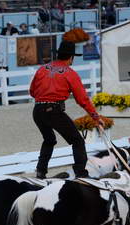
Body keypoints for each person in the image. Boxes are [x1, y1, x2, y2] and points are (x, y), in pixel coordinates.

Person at [29, 40, 103, 179]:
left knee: (49, 139)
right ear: (71, 57)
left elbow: (32, 91)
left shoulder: (42, 69)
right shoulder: (70, 73)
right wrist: (95, 117)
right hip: (53, 110)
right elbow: (82, 99)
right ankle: (81, 174)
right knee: (78, 141)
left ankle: (41, 171)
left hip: (37, 110)